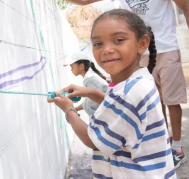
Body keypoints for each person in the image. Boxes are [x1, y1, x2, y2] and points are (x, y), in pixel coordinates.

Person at [40, 0, 189, 168]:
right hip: (138, 53)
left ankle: (177, 147)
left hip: (165, 48)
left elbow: (186, 8)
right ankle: (162, 143)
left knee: (172, 100)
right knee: (153, 102)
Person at [48, 9, 176, 178]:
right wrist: (90, 93)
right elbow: (118, 106)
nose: (107, 49)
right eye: (98, 44)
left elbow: (93, 140)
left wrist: (69, 110)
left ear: (142, 43)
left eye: (118, 40)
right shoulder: (137, 81)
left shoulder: (129, 93)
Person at [63, 50, 108, 116]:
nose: (71, 69)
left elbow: (95, 105)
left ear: (81, 66)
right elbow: (90, 100)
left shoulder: (90, 79)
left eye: (72, 67)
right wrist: (74, 109)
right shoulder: (89, 78)